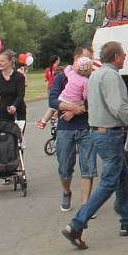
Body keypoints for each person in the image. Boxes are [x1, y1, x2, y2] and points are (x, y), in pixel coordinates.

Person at [62, 41, 128, 249]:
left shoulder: (96, 75)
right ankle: (76, 224)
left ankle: (127, 222)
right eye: (123, 55)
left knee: (122, 178)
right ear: (116, 57)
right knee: (110, 181)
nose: (125, 57)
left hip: (99, 132)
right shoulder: (110, 76)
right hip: (110, 134)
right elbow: (118, 107)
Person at [49, 46, 97, 212]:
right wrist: (71, 108)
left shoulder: (92, 78)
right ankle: (66, 191)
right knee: (65, 166)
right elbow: (53, 101)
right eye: (87, 59)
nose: (90, 64)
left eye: (91, 59)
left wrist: (78, 109)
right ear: (76, 59)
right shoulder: (63, 77)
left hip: (86, 126)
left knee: (88, 166)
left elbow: (94, 101)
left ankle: (86, 205)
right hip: (65, 128)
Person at [37, 56, 92, 129]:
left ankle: (43, 121)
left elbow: (66, 70)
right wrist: (83, 100)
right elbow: (85, 96)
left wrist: (71, 66)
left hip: (63, 97)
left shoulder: (72, 74)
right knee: (81, 103)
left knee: (53, 108)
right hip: (74, 101)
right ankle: (55, 117)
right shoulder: (85, 81)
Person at [0, 49, 26, 122]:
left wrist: (14, 106)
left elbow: (20, 95)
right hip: (3, 111)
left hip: (18, 110)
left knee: (16, 133)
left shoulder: (19, 77)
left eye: (2, 61)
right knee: (3, 133)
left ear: (10, 62)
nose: (0, 63)